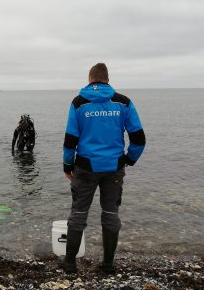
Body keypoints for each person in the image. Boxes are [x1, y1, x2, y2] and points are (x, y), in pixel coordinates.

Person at [60, 63, 146, 274]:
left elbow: (71, 139)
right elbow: (139, 139)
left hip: (85, 168)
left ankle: (70, 263)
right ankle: (108, 265)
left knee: (79, 213)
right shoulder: (123, 102)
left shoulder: (79, 103)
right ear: (107, 79)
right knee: (110, 213)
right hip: (114, 168)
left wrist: (67, 165)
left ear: (90, 79)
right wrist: (129, 159)